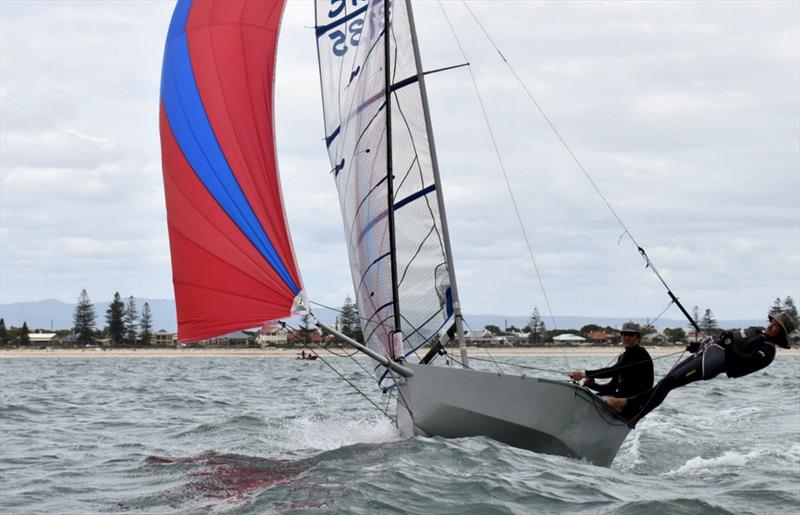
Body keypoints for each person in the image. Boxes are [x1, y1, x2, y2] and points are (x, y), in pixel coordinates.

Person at [603, 312, 795, 427]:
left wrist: (727, 345)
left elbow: (741, 364)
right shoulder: (754, 330)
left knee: (669, 383)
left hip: (712, 364)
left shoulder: (767, 351)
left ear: (781, 334)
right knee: (666, 381)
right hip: (707, 353)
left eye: (776, 326)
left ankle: (626, 406)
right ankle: (633, 416)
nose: (770, 325)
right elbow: (725, 340)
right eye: (772, 322)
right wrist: (703, 345)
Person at [568, 322, 654, 398]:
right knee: (594, 397)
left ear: (638, 338)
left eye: (631, 335)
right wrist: (593, 385)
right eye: (624, 334)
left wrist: (583, 374)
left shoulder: (639, 353)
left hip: (635, 400)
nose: (626, 337)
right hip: (623, 397)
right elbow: (611, 387)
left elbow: (613, 371)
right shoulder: (623, 357)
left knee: (594, 398)